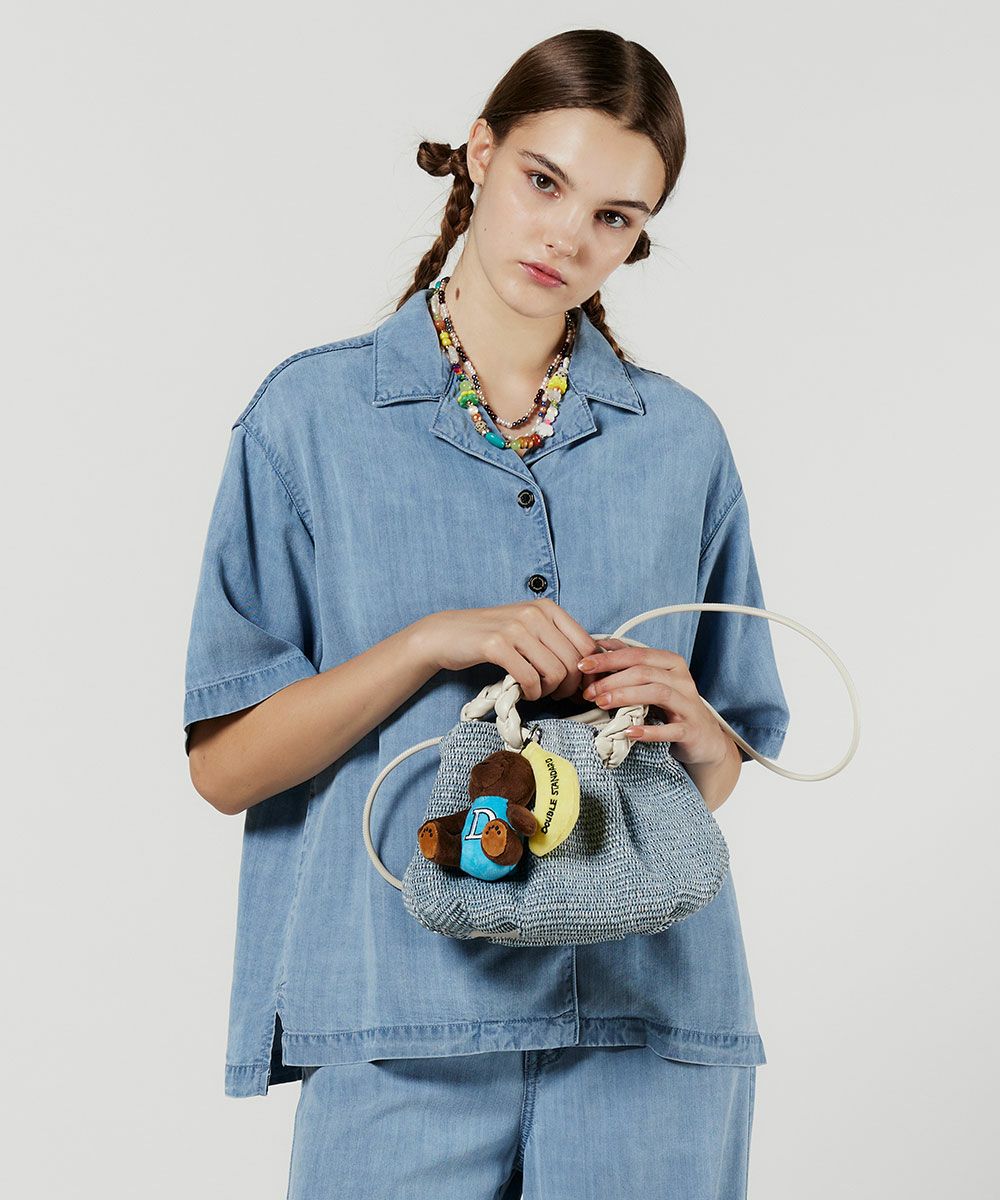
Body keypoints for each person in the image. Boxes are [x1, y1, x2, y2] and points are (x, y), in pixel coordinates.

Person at [183, 27, 790, 1200]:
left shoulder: (682, 444)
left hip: (649, 1020)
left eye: (614, 216)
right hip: (396, 1020)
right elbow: (223, 769)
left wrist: (695, 729)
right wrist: (428, 644)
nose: (567, 237)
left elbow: (714, 774)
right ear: (479, 153)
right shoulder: (309, 420)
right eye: (543, 181)